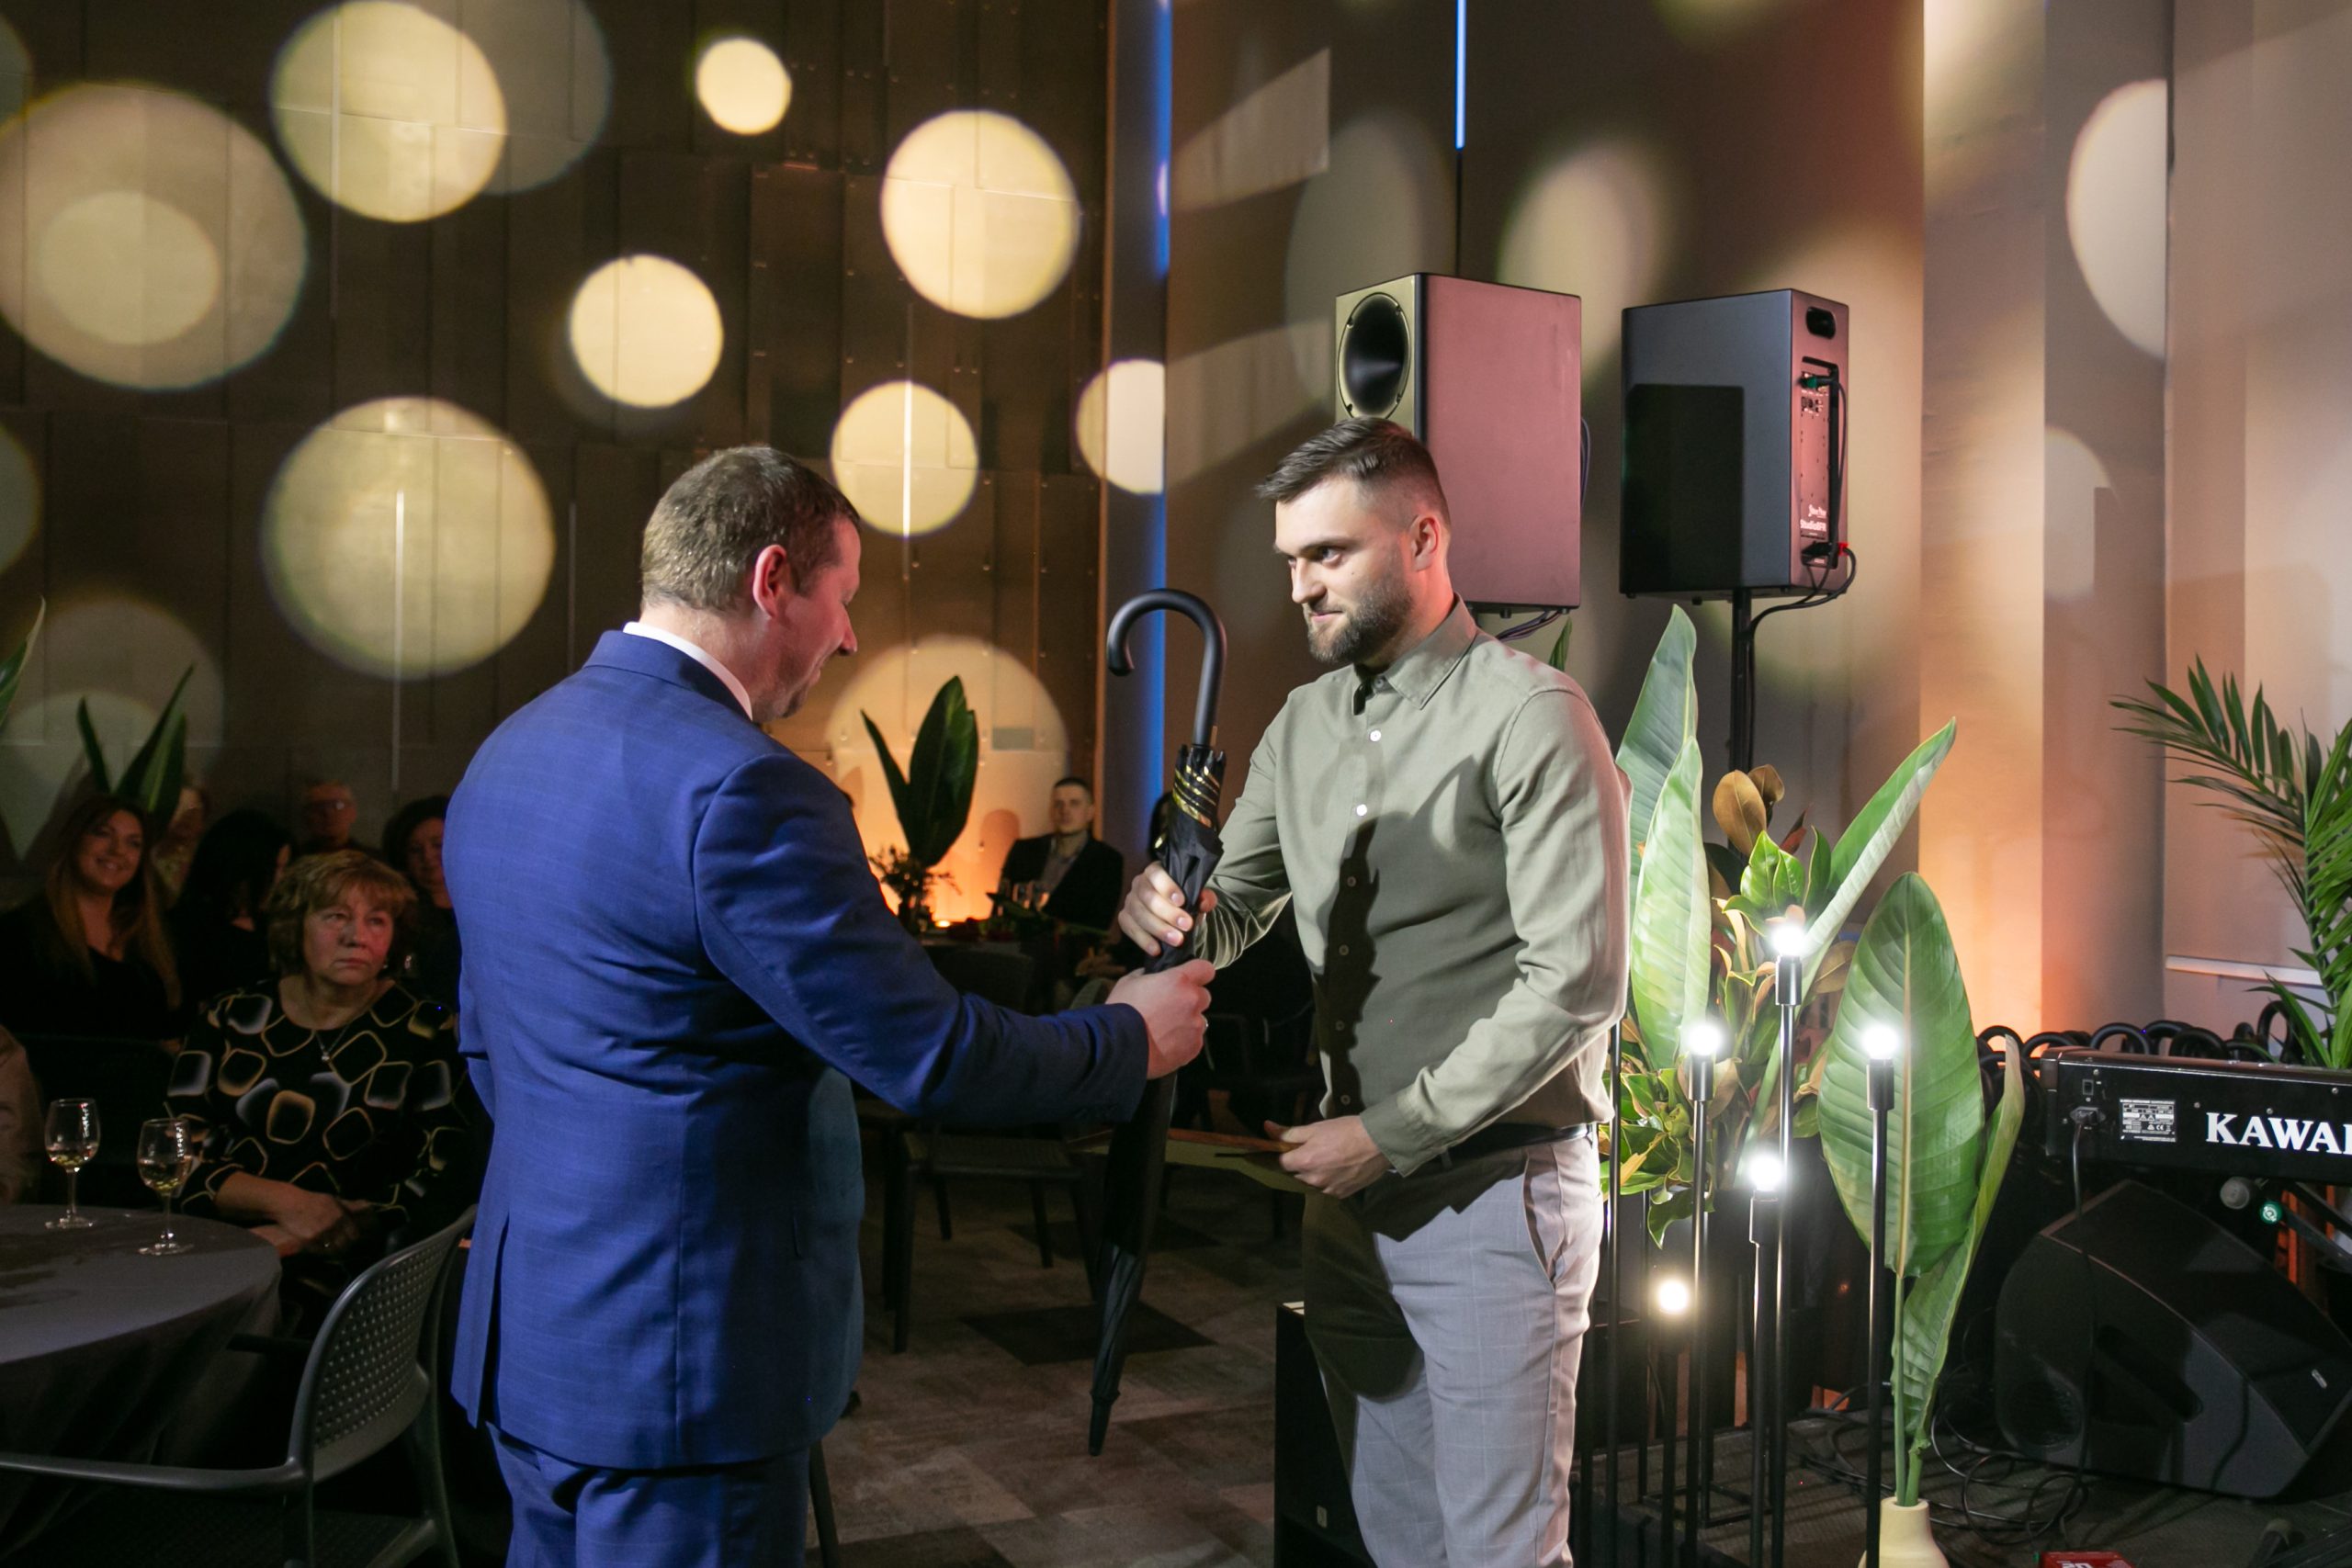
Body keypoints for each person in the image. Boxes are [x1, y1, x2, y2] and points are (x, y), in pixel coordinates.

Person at [444, 444, 1212, 1567]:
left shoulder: (509, 750)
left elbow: (485, 1050)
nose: (849, 637)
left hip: (538, 1338)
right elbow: (930, 1057)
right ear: (772, 582)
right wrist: (1127, 1037)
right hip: (684, 1357)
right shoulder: (745, 789)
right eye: (842, 597)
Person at [1118, 417, 1630, 1566]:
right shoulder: (1303, 723)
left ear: (1423, 538)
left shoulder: (1533, 717)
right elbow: (1233, 909)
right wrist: (1163, 905)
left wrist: (1387, 1135)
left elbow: (1577, 984)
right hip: (1350, 1208)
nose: (1301, 586)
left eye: (1328, 554)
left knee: (1499, 1553)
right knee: (1396, 1543)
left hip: (1494, 1199)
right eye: (1291, 560)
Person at [170, 849, 472, 1325]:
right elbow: (171, 1155)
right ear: (295, 925)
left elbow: (441, 1173)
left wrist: (319, 1229)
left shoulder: (425, 1029)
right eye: (336, 917)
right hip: (217, 1241)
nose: (356, 937)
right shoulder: (230, 1015)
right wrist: (288, 1205)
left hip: (357, 1265)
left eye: (376, 921)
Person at [0, 792, 183, 1043]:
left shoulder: (147, 938)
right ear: (75, 840)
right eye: (103, 833)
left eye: (133, 843)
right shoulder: (20, 934)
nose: (118, 850)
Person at [170, 808, 293, 1008]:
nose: (281, 879)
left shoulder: (275, 926)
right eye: (275, 869)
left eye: (284, 868)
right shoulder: (187, 929)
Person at [996, 776, 1125, 932]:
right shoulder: (1024, 851)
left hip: (1073, 947)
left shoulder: (1107, 861)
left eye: (1074, 803)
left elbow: (1097, 923)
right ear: (1051, 810)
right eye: (1058, 804)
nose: (1064, 810)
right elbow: (1001, 908)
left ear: (1090, 812)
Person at [382, 795, 459, 1007]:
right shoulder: (397, 912)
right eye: (415, 850)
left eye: (438, 845)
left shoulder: (484, 907)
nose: (428, 857)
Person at [151, 782, 209, 899]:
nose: (187, 816)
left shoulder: (206, 862)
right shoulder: (148, 855)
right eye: (179, 807)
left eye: (194, 810)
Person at [296, 778, 362, 856]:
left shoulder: (370, 860)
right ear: (306, 815)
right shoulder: (291, 859)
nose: (328, 813)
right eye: (318, 807)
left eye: (337, 805)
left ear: (352, 812)